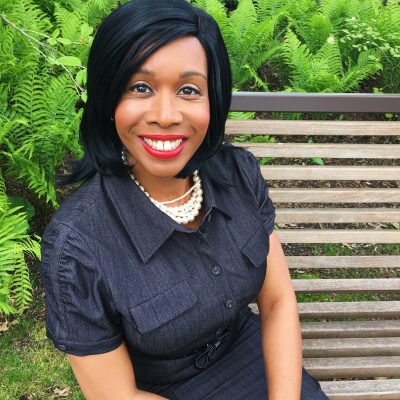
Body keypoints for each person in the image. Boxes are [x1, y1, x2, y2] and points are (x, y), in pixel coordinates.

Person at [40, 1, 330, 399]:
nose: (165, 115)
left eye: (189, 90)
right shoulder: (77, 245)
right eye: (140, 87)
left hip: (259, 364)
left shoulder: (237, 174)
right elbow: (118, 395)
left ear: (213, 99)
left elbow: (277, 302)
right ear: (108, 98)